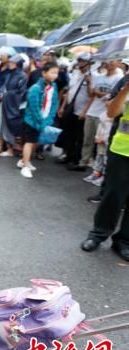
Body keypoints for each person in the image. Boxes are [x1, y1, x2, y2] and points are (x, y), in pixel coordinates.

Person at [80, 76, 129, 262]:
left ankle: (124, 241)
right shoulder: (126, 81)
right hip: (123, 150)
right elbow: (111, 112)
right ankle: (97, 235)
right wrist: (125, 90)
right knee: (112, 196)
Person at [77, 59, 123, 170]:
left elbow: (114, 96)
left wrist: (99, 92)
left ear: (119, 63)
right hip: (92, 111)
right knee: (87, 139)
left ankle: (97, 168)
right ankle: (84, 162)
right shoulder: (99, 77)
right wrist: (85, 111)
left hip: (104, 116)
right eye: (108, 61)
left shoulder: (119, 79)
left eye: (112, 61)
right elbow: (91, 94)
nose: (109, 63)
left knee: (101, 143)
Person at [18, 62, 59, 179]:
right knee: (29, 142)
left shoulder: (53, 87)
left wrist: (49, 118)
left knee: (35, 142)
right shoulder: (35, 88)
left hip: (44, 120)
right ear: (44, 73)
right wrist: (41, 120)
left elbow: (54, 102)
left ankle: (24, 161)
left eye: (56, 73)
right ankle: (25, 166)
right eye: (52, 72)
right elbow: (34, 107)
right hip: (32, 121)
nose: (55, 75)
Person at [56, 52, 93, 168]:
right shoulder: (75, 74)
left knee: (79, 137)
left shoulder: (93, 76)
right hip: (71, 107)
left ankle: (76, 159)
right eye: (79, 60)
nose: (80, 63)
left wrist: (89, 82)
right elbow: (69, 92)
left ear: (88, 63)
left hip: (82, 110)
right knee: (68, 134)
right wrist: (62, 107)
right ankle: (68, 155)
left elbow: (91, 95)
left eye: (82, 61)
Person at [0, 54, 27, 157]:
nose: (9, 64)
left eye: (12, 62)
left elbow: (22, 93)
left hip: (12, 105)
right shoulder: (9, 74)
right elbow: (3, 87)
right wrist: (1, 93)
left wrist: (7, 94)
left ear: (17, 64)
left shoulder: (22, 76)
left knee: (8, 126)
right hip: (4, 102)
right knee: (0, 124)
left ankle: (10, 149)